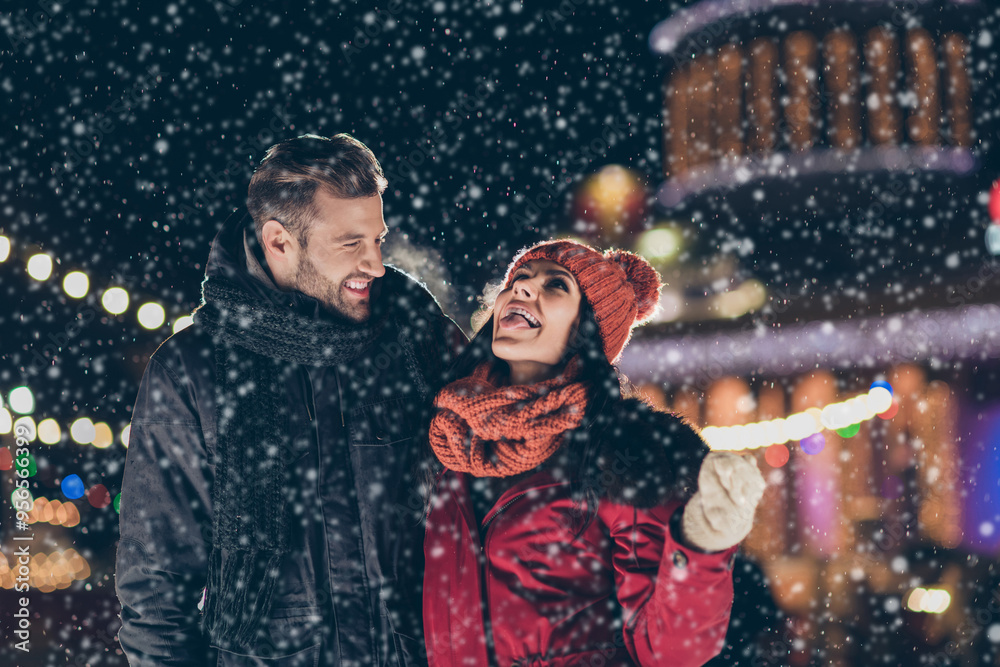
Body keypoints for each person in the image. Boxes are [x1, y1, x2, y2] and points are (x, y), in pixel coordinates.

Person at [116, 133, 465, 666]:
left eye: (378, 239)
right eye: (351, 243)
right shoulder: (191, 371)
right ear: (280, 241)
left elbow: (510, 446)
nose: (375, 264)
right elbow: (158, 590)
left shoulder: (415, 335)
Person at [422, 239, 766, 666]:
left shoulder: (622, 450)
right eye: (519, 279)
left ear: (587, 328)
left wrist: (701, 545)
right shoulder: (451, 437)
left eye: (556, 286)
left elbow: (669, 650)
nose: (522, 290)